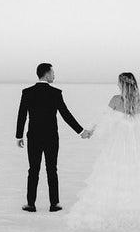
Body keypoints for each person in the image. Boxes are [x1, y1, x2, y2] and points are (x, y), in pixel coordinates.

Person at [64, 72, 140, 230]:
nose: (117, 85)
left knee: (113, 173)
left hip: (119, 144)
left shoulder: (116, 100)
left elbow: (103, 118)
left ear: (122, 84)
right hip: (137, 145)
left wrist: (90, 131)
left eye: (118, 83)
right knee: (139, 174)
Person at [16, 63, 92, 212]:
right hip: (51, 137)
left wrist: (19, 136)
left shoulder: (27, 92)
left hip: (34, 137)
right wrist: (81, 131)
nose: (54, 76)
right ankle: (54, 204)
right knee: (52, 169)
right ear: (46, 74)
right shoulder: (55, 93)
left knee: (33, 170)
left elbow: (22, 116)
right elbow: (66, 115)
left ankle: (30, 204)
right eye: (53, 73)